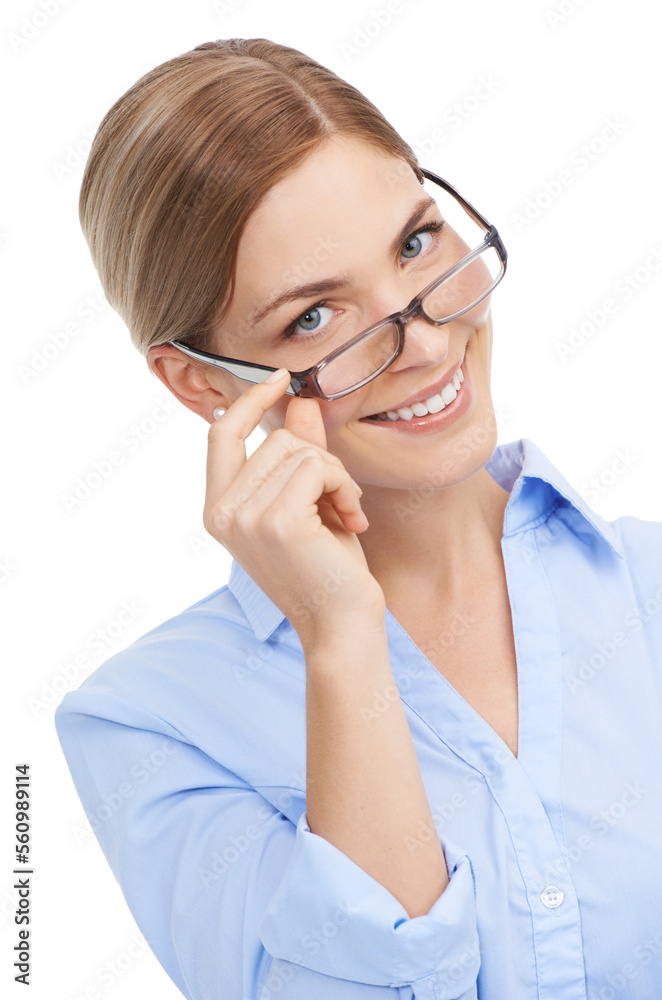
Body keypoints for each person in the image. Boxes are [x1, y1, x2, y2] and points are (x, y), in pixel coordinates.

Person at [54, 36, 662, 1000]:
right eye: (313, 318)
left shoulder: (649, 586)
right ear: (204, 382)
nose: (425, 340)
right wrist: (342, 639)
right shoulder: (149, 725)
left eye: (416, 244)